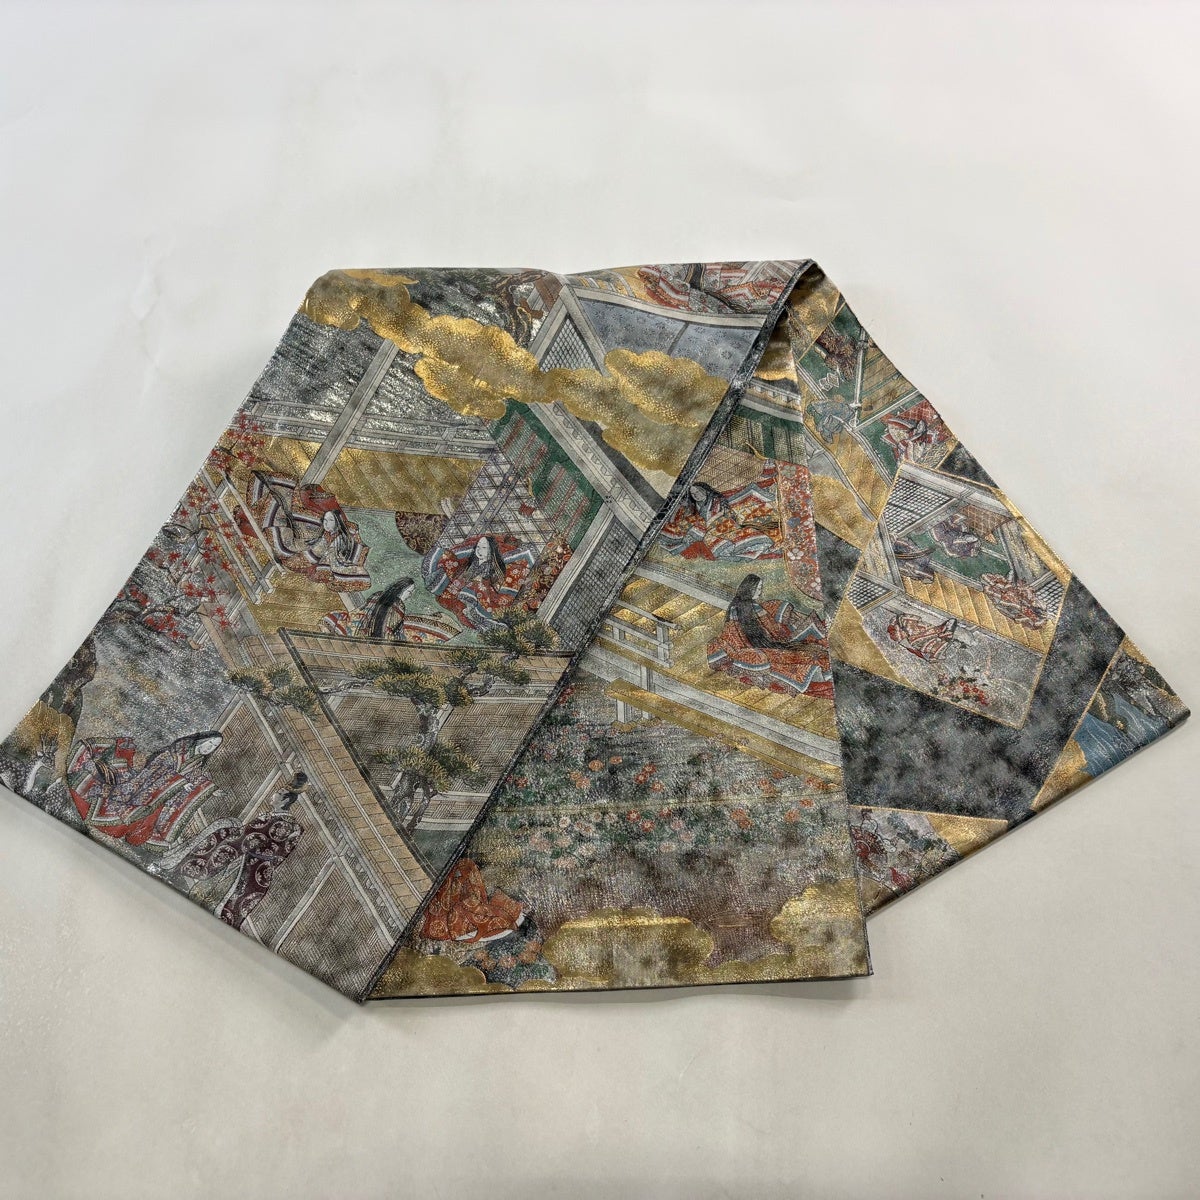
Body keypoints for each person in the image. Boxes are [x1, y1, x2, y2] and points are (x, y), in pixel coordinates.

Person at [66, 730, 223, 848]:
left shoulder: (197, 761)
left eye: (214, 747)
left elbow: (194, 776)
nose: (209, 748)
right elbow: (158, 765)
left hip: (162, 793)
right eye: (209, 743)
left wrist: (211, 788)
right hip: (146, 785)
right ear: (202, 740)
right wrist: (180, 781)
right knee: (128, 803)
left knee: (149, 818)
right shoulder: (178, 750)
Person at [707, 574, 833, 696]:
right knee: (802, 657)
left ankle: (825, 672)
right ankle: (821, 674)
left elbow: (772, 629)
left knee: (812, 649)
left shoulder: (756, 607)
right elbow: (734, 637)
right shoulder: (736, 611)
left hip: (770, 644)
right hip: (757, 649)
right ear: (749, 589)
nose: (760, 592)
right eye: (758, 588)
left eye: (761, 588)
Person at [248, 471, 370, 590]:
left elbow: (296, 560)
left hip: (299, 541)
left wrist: (321, 545)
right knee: (286, 495)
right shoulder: (350, 536)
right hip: (310, 524)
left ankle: (266, 507)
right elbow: (336, 519)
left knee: (282, 532)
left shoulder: (323, 568)